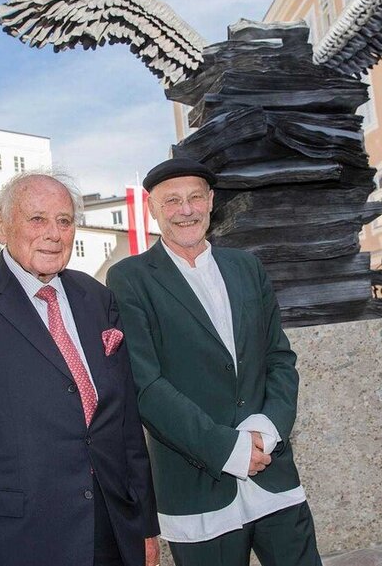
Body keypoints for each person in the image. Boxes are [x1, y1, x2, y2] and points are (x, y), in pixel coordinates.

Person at [0, 172, 158, 566]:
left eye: (64, 221)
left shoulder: (97, 298)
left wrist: (145, 526)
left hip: (112, 529)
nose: (54, 233)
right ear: (0, 225)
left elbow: (125, 421)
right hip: (15, 540)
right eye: (37, 219)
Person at [108, 158, 321, 566]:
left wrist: (266, 430)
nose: (185, 210)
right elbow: (146, 385)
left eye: (194, 198)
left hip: (271, 471)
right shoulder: (129, 278)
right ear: (153, 208)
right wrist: (228, 449)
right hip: (197, 482)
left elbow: (279, 357)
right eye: (172, 201)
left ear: (211, 201)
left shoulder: (247, 267)